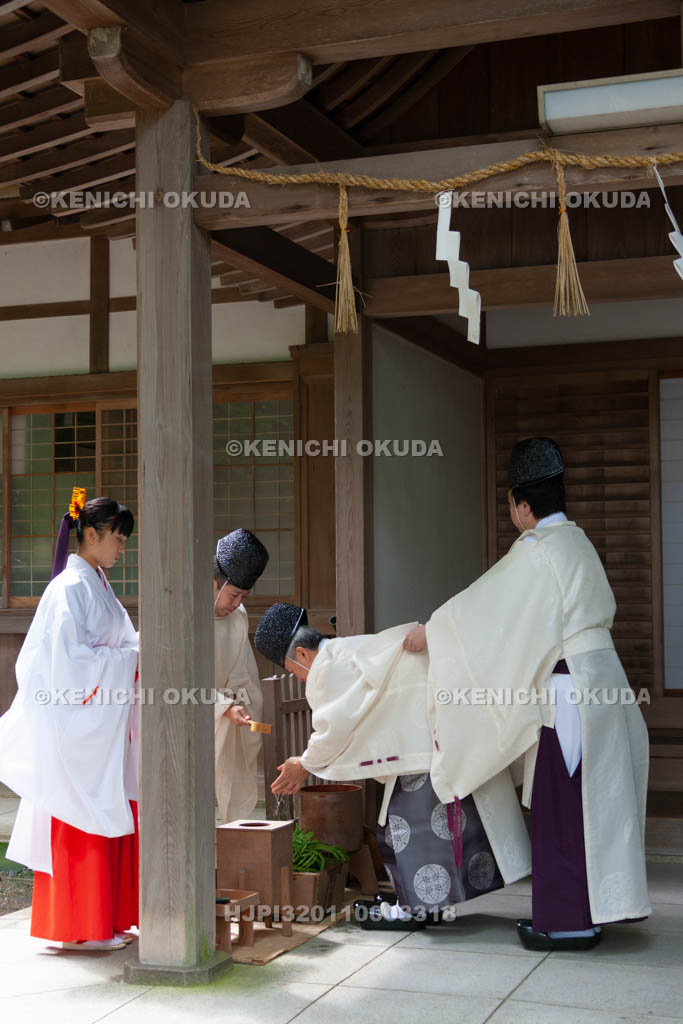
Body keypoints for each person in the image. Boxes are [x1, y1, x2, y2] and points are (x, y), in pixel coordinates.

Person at [404, 436, 650, 951]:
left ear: (521, 504)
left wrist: (435, 631)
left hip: (570, 688)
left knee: (563, 801)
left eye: (512, 504)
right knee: (596, 803)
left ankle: (565, 922)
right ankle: (596, 909)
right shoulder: (578, 542)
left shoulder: (538, 551)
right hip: (604, 679)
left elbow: (487, 608)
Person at [254, 602, 531, 930]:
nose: (298, 679)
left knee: (408, 828)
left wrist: (304, 763)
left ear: (302, 654)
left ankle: (417, 909)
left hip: (424, 748)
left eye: (292, 671)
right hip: (436, 738)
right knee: (443, 825)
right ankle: (430, 906)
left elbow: (334, 726)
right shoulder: (349, 648)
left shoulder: (327, 667)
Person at [0, 491, 139, 951]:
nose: (122, 548)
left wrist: (129, 656)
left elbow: (116, 644)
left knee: (104, 812)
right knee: (80, 816)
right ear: (93, 534)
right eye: (118, 539)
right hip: (78, 726)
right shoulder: (70, 587)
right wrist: (126, 661)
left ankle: (105, 922)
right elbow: (68, 664)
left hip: (101, 722)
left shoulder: (94, 581)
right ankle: (79, 928)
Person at [213, 528, 269, 823]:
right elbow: (171, 682)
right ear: (214, 583)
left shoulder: (238, 615)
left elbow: (242, 675)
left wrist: (242, 709)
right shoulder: (182, 612)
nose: (237, 603)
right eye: (234, 594)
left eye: (243, 596)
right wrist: (221, 706)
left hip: (221, 715)